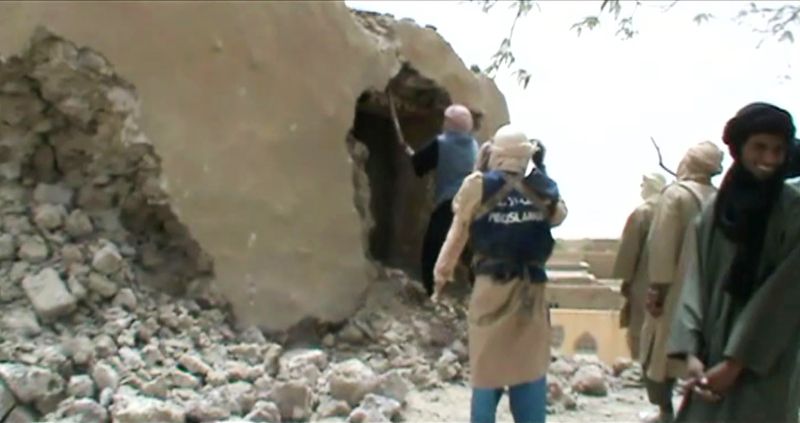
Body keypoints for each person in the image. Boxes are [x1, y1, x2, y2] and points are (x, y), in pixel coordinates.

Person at [667, 102, 800, 423]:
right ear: (740, 148)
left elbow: (783, 298)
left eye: (778, 150)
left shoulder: (792, 212)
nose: (769, 159)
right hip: (708, 359)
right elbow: (694, 283)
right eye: (760, 147)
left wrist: (735, 363)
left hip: (766, 361)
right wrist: (692, 354)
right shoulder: (716, 212)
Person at [432, 124, 567, 423]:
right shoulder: (543, 189)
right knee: (529, 368)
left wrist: (441, 274)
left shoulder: (477, 186)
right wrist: (540, 172)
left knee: (486, 369)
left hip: (491, 288)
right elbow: (558, 216)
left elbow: (458, 233)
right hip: (532, 291)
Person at [639, 141, 724, 423]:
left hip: (675, 290)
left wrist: (657, 288)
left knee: (657, 354)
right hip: (709, 291)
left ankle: (665, 411)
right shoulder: (720, 197)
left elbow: (662, 245)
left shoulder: (675, 195)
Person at [405, 104, 479, 295]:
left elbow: (419, 166)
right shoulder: (474, 145)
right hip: (472, 204)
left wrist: (412, 155)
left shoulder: (442, 143)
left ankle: (431, 292)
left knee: (433, 249)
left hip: (449, 204)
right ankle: (478, 291)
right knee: (469, 252)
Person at [612, 172, 667, 360]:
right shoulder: (672, 209)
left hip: (644, 283)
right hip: (672, 284)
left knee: (639, 330)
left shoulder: (642, 213)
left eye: (643, 185)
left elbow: (628, 254)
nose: (641, 189)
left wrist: (625, 282)